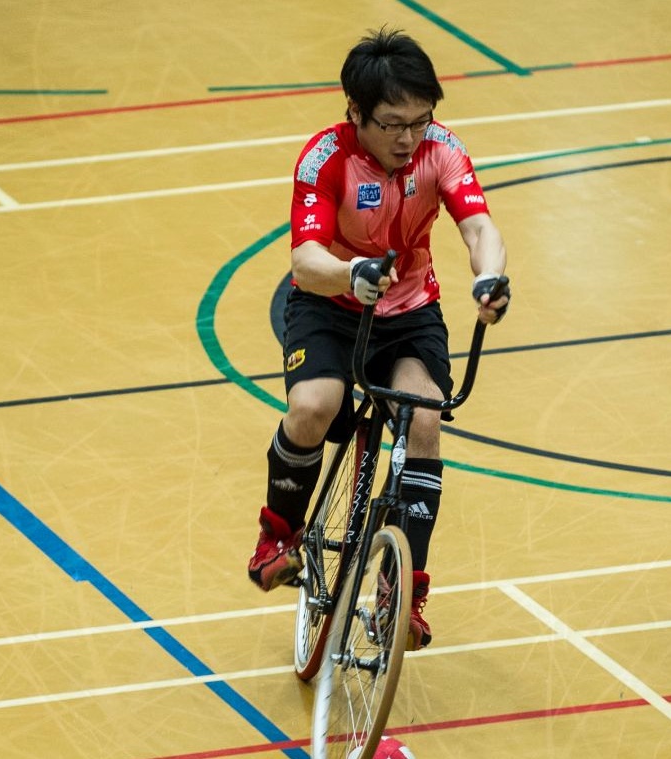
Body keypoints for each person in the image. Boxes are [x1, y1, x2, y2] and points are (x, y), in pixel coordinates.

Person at [247, 27, 510, 652]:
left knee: (423, 423)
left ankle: (405, 592)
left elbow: (479, 227)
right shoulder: (324, 159)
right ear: (355, 113)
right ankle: (277, 534)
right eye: (392, 123)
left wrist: (491, 277)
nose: (408, 138)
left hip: (410, 309)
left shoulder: (440, 149)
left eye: (420, 121)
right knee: (315, 406)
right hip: (330, 303)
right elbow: (306, 258)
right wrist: (350, 274)